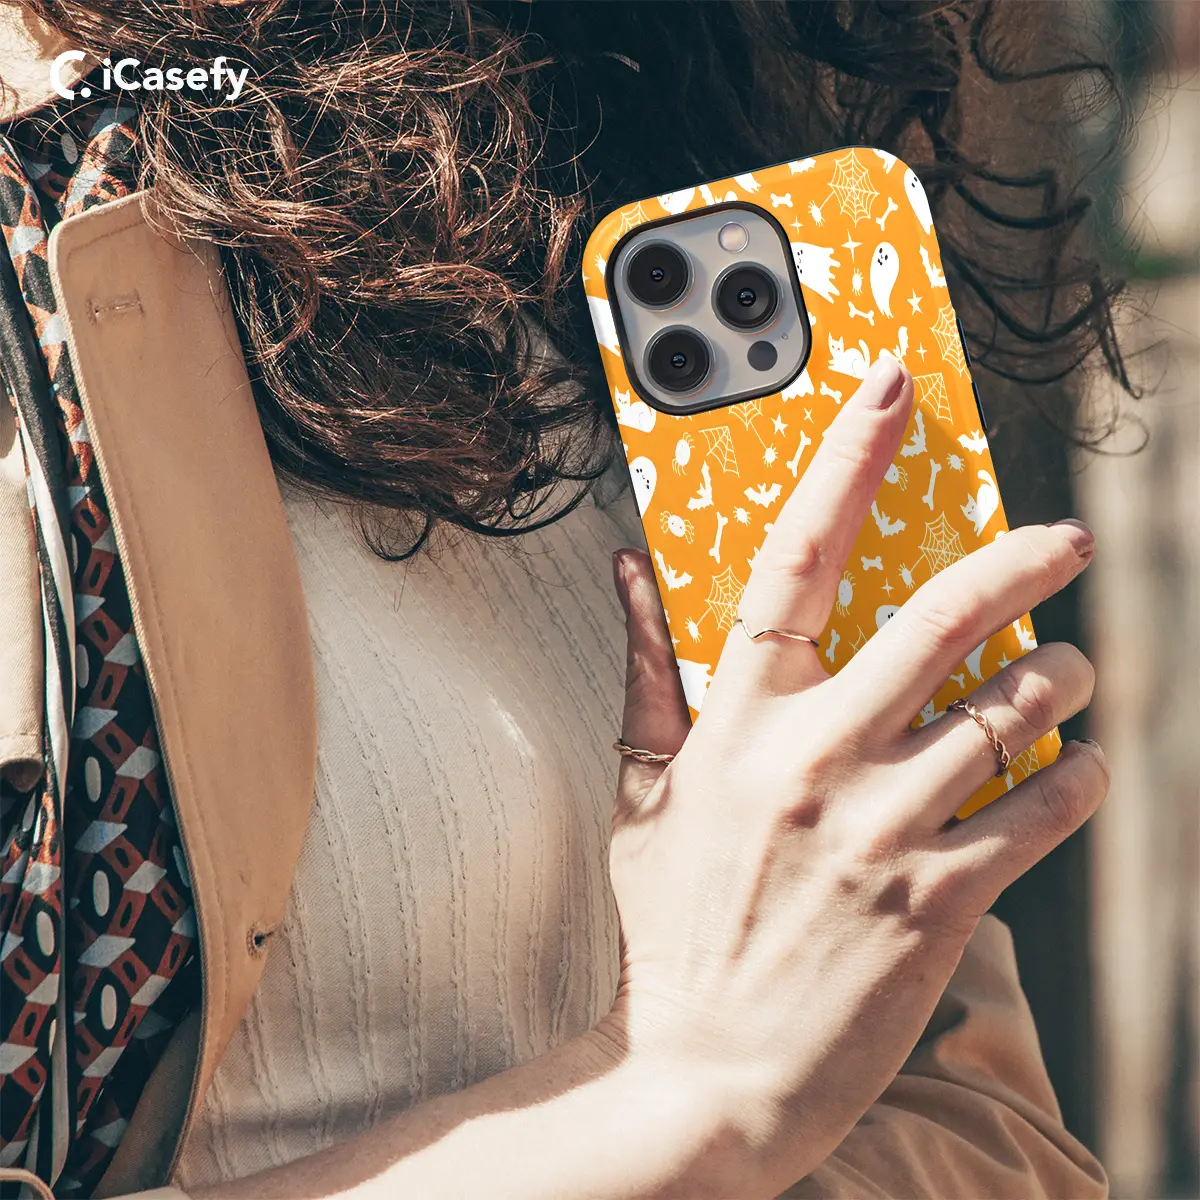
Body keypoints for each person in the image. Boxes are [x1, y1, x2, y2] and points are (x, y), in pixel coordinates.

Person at [0, 2, 1126, 1196]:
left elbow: (991, 1138)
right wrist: (686, 1088)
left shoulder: (617, 169)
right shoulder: (46, 245)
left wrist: (737, 1093)